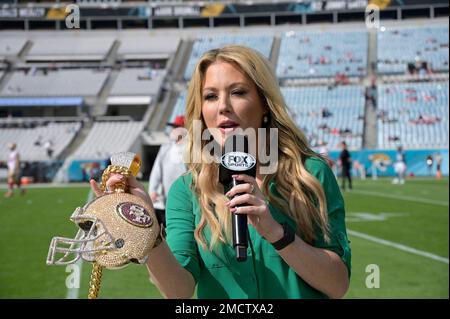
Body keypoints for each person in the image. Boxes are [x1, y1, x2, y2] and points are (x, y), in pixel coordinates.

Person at [90, 45, 351, 299]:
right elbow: (178, 291)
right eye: (211, 96)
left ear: (264, 104)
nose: (223, 106)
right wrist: (147, 228)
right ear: (202, 111)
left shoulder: (310, 174)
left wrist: (276, 232)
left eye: (238, 92)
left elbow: (337, 285)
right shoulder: (187, 190)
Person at [148, 115, 188, 228]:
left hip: (184, 195)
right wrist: (153, 190)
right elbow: (157, 170)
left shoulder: (191, 148)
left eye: (176, 127)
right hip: (165, 195)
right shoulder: (166, 147)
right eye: (173, 127)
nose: (173, 130)